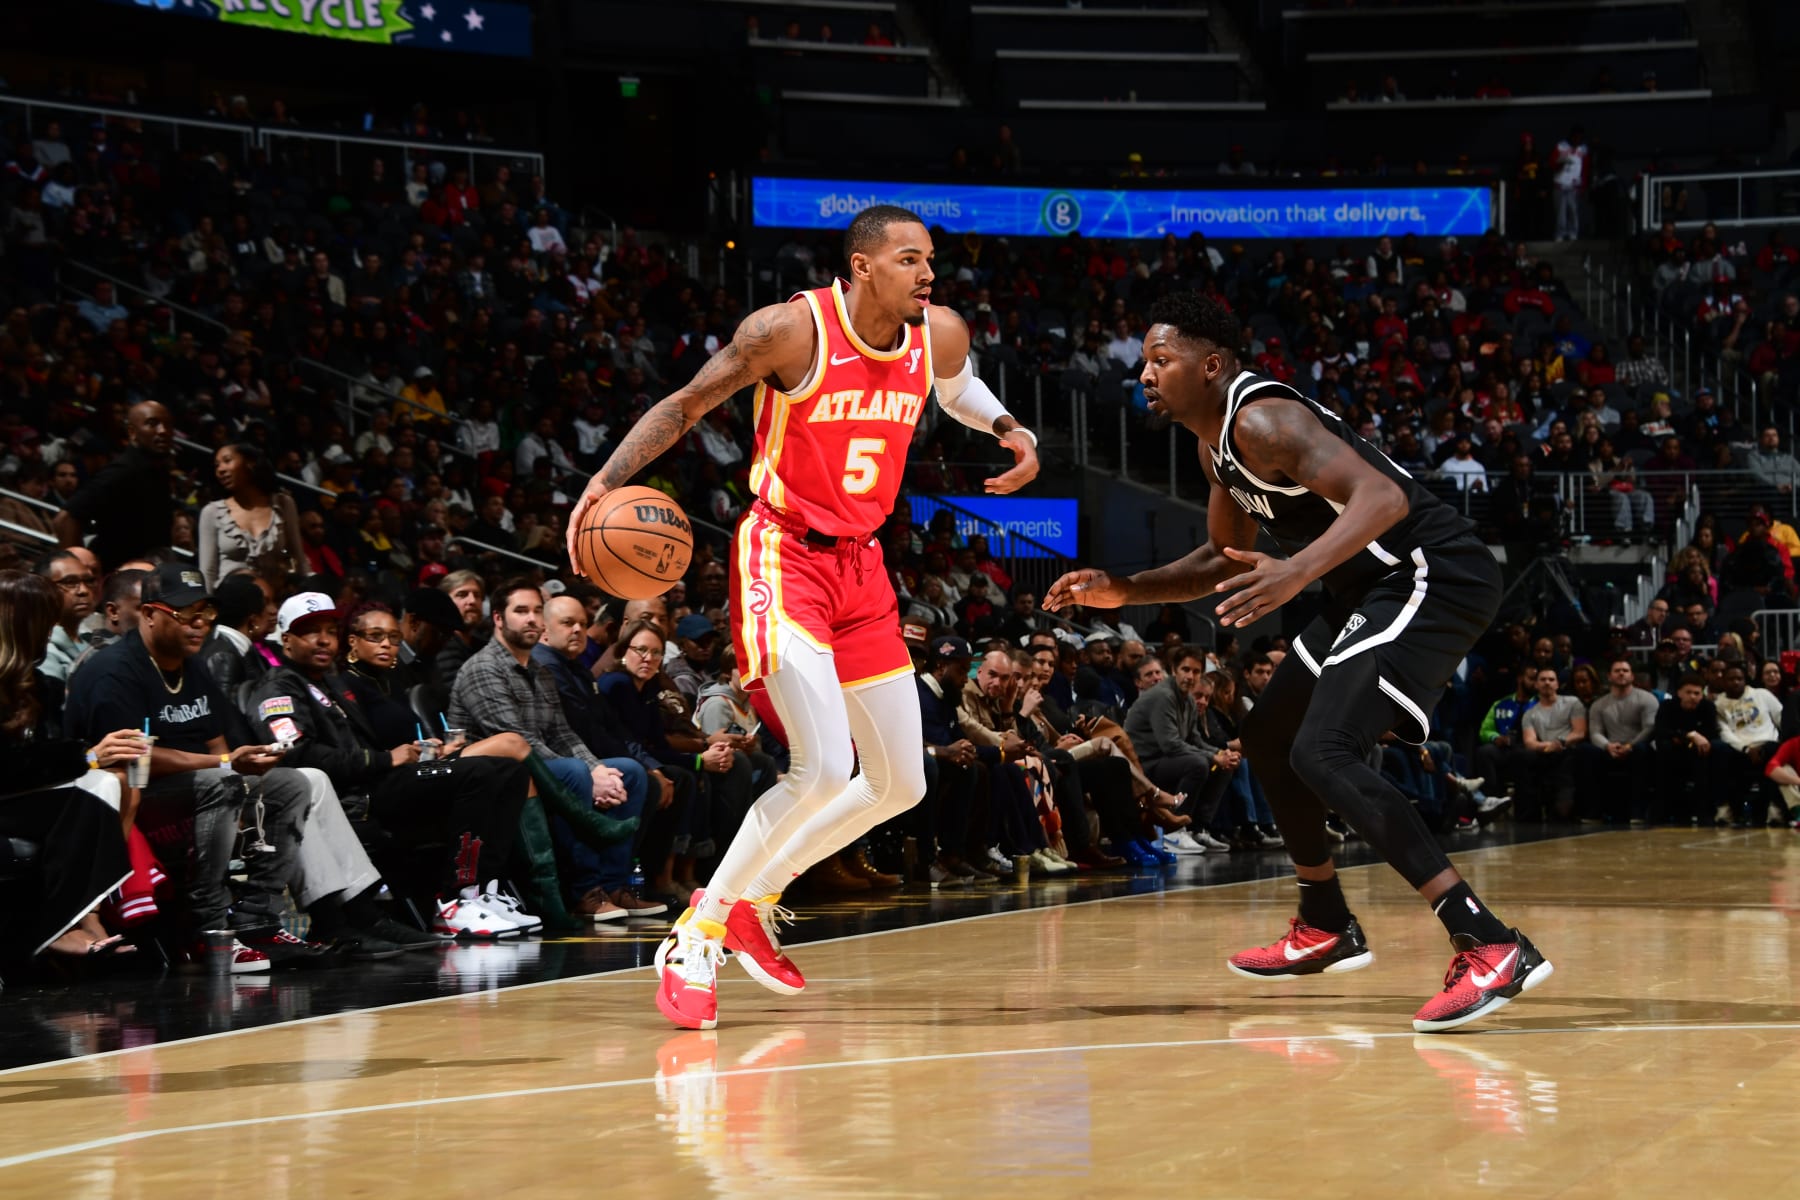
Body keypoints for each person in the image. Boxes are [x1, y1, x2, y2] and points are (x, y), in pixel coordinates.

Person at [568, 203, 1039, 1030]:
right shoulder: (790, 332)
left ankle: (756, 898)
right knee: (821, 766)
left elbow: (958, 387)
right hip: (781, 553)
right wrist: (604, 481)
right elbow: (687, 403)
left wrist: (1008, 427)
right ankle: (698, 935)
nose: (927, 273)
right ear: (861, 266)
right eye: (908, 259)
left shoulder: (940, 334)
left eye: (930, 258)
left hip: (862, 567)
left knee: (901, 780)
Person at [1045, 290, 1551, 1033]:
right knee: (1272, 736)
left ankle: (1491, 943)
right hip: (1365, 587)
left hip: (1429, 571)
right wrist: (1122, 589)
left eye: (1162, 360)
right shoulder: (1214, 445)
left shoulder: (1261, 420)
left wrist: (1297, 572)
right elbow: (1223, 558)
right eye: (1144, 362)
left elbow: (1380, 497)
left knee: (1326, 750)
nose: (1145, 373)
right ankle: (1324, 922)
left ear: (1211, 365)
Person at [61, 563, 312, 971]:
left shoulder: (191, 666)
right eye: (185, 614)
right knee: (224, 782)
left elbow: (216, 742)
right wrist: (228, 763)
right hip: (123, 803)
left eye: (206, 615)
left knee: (290, 784)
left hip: (192, 787)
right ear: (148, 614)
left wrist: (249, 764)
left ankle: (257, 918)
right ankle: (208, 927)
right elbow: (133, 759)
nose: (198, 625)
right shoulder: (115, 671)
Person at [246, 592, 532, 942]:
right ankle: (457, 898)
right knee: (482, 773)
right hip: (353, 796)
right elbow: (297, 757)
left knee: (509, 770)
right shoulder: (278, 688)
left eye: (329, 630)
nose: (323, 639)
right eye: (310, 632)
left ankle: (483, 889)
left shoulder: (330, 683)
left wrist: (413, 753)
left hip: (380, 781)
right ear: (286, 639)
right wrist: (385, 758)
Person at [447, 581, 658, 921]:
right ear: (498, 619)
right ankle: (584, 892)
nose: (531, 619)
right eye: (521, 611)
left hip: (538, 767)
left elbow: (562, 733)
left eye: (535, 611)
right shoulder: (483, 668)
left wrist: (597, 770)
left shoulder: (540, 672)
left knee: (629, 771)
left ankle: (615, 887)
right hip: (498, 777)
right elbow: (518, 740)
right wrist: (587, 774)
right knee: (573, 773)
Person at [0, 571, 139, 963]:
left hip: (19, 798)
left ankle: (83, 916)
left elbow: (43, 752)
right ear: (20, 622)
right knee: (94, 786)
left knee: (109, 782)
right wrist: (86, 754)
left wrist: (92, 757)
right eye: (45, 621)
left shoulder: (37, 683)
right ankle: (59, 924)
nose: (50, 633)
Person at [52, 401, 177, 572]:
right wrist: (77, 572)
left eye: (168, 425)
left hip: (146, 575)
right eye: (152, 424)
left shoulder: (157, 470)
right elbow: (65, 519)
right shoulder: (123, 470)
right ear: (132, 432)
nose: (163, 431)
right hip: (116, 577)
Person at [197, 443, 310, 592]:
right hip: (229, 605)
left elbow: (298, 557)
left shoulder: (283, 504)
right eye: (217, 465)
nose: (220, 470)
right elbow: (207, 572)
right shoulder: (212, 512)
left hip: (273, 603)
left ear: (250, 463)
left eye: (227, 461)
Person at [1582, 656, 1657, 824]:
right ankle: (1594, 812)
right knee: (1586, 751)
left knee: (1642, 750)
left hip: (1637, 748)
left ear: (1632, 676)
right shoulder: (1599, 704)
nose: (1621, 673)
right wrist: (1608, 746)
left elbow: (1649, 729)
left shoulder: (1647, 699)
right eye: (1617, 671)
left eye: (1625, 670)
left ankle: (1637, 812)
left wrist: (1630, 745)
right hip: (1611, 749)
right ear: (1609, 676)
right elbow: (1595, 733)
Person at [1518, 668, 1586, 821]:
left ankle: (1565, 808)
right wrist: (1547, 746)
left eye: (1551, 679)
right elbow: (1529, 741)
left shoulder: (1572, 703)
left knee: (1571, 758)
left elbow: (1579, 732)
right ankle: (1529, 815)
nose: (1547, 683)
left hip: (1567, 750)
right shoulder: (1530, 713)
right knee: (1524, 757)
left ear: (1557, 684)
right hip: (1544, 751)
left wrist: (1560, 743)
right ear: (1536, 685)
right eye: (1542, 679)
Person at [34, 549, 96, 682]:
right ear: (44, 588)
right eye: (70, 582)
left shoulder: (91, 637)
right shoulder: (41, 649)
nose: (84, 591)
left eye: (89, 581)